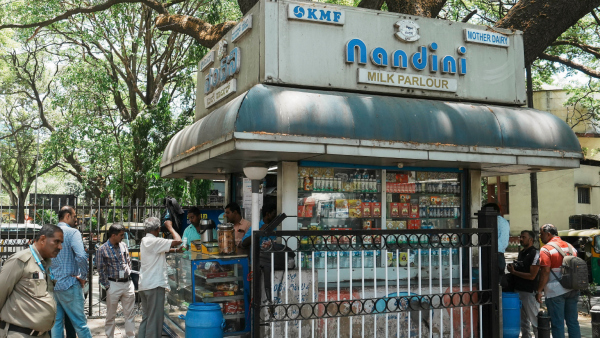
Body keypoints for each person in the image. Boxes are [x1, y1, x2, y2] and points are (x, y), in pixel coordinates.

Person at [0, 224, 63, 338]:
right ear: (43, 239)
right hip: (19, 334)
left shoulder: (46, 264)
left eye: (61, 243)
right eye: (57, 242)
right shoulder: (20, 260)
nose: (60, 247)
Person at [51, 206, 92, 338]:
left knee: (56, 323)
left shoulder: (50, 232)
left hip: (53, 284)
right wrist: (83, 276)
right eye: (74, 216)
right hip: (69, 283)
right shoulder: (73, 233)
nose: (76, 220)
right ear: (67, 216)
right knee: (80, 323)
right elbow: (81, 256)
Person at [138, 217, 182, 338]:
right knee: (155, 320)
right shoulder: (155, 241)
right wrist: (170, 227)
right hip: (154, 285)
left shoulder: (145, 240)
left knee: (146, 318)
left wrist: (176, 250)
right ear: (158, 229)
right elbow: (178, 240)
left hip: (145, 285)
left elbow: (160, 250)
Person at [536, 223, 581, 338]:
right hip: (573, 288)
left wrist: (539, 290)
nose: (540, 237)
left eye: (541, 234)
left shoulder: (546, 249)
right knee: (573, 322)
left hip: (555, 291)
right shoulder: (570, 247)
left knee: (557, 324)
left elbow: (545, 272)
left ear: (548, 234)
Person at [97, 223, 135, 338]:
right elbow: (100, 269)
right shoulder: (102, 249)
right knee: (111, 315)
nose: (122, 237)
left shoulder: (123, 245)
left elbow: (128, 261)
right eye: (121, 235)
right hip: (113, 283)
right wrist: (107, 285)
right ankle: (110, 336)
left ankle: (130, 336)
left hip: (127, 283)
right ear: (113, 235)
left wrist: (129, 273)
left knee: (130, 314)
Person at [507, 230, 540, 338]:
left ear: (531, 239)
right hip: (518, 290)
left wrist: (514, 272)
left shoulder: (535, 253)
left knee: (535, 320)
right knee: (523, 322)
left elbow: (532, 275)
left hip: (529, 292)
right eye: (520, 237)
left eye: (523, 237)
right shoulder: (522, 252)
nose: (520, 239)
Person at [483, 202, 510, 276]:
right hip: (501, 255)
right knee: (498, 280)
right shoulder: (504, 221)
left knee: (492, 281)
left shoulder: (494, 221)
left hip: (494, 254)